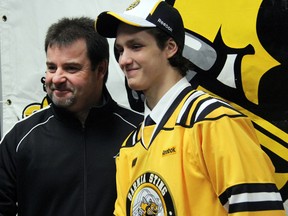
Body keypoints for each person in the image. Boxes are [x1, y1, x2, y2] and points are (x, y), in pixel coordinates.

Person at [95, 0, 286, 215]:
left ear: (170, 47)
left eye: (136, 46)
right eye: (120, 50)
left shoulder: (215, 121)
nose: (123, 60)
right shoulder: (130, 146)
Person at [0, 17, 143, 216]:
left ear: (100, 69)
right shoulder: (20, 138)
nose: (56, 78)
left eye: (71, 68)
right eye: (51, 67)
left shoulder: (140, 132)